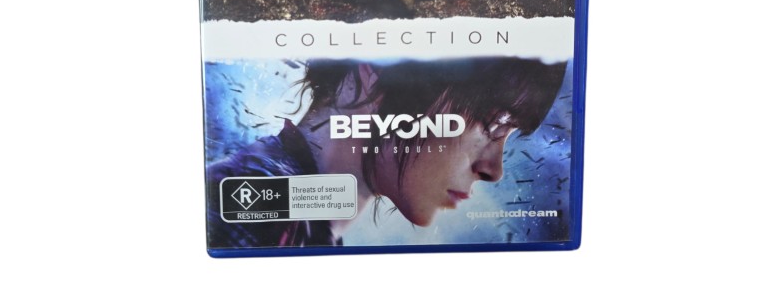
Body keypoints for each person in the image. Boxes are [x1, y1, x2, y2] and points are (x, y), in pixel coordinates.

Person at [206, 57, 566, 249]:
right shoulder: (246, 210)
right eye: (493, 123)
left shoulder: (299, 220)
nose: (494, 169)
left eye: (507, 135)